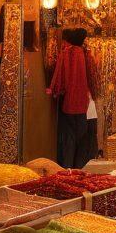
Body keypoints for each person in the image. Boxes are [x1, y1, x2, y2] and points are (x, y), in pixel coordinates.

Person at [48, 27, 99, 168]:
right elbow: (94, 78)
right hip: (86, 103)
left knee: (69, 140)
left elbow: (60, 77)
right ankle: (80, 170)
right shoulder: (87, 54)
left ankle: (68, 169)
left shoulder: (67, 53)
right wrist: (94, 95)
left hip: (69, 103)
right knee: (83, 140)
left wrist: (54, 91)